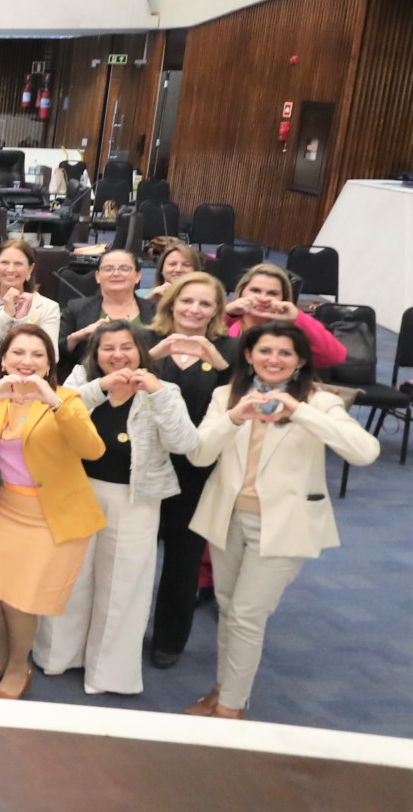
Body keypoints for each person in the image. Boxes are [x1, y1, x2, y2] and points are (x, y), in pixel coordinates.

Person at [182, 320, 379, 719]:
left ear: (300, 360)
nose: (274, 360)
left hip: (284, 525)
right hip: (227, 518)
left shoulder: (319, 401)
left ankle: (230, 708)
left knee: (247, 616)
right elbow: (199, 455)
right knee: (229, 609)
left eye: (285, 353)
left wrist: (300, 411)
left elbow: (365, 452)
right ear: (249, 356)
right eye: (265, 351)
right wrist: (234, 418)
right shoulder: (227, 395)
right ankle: (224, 689)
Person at [32, 320, 199, 696]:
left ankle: (108, 673)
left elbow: (185, 444)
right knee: (70, 578)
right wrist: (102, 387)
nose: (118, 355)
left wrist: (157, 393)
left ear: (141, 352)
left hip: (135, 501)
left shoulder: (163, 390)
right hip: (77, 492)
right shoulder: (82, 379)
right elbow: (55, 415)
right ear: (96, 353)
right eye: (108, 348)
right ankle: (58, 656)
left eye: (126, 347)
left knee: (122, 587)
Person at [0, 324, 105, 701]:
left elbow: (92, 449)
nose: (27, 361)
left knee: (19, 602)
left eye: (38, 355)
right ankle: (5, 657)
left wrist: (53, 402)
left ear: (49, 364)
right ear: (3, 360)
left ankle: (20, 667)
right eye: (18, 353)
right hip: (9, 509)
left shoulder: (66, 399)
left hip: (52, 515)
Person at [145, 271, 236, 669]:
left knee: (183, 562)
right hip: (143, 465)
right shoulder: (147, 339)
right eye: (187, 300)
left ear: (217, 310)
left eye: (204, 303)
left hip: (198, 470)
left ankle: (169, 640)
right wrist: (154, 355)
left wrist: (220, 364)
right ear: (172, 303)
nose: (194, 310)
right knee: (133, 558)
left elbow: (245, 397)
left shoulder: (230, 349)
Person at [223, 263, 348, 367]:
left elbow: (335, 357)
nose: (263, 298)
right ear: (241, 292)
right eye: (255, 290)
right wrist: (226, 314)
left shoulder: (295, 325)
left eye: (272, 293)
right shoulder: (225, 313)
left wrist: (297, 318)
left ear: (283, 298)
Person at [58, 250, 155, 377]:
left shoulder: (156, 311)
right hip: (88, 382)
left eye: (124, 269)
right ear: (98, 276)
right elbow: (55, 351)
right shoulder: (76, 308)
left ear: (138, 276)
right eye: (108, 269)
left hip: (143, 381)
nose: (116, 273)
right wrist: (77, 336)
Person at [0, 239, 62, 365]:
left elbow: (51, 357)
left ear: (30, 269)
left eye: (18, 264)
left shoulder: (48, 308)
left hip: (25, 374)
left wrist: (21, 320)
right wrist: (5, 315)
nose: (10, 269)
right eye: (4, 262)